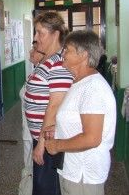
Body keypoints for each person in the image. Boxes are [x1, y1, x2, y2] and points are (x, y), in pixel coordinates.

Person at [44, 30, 116, 195]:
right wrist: (60, 130)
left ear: (83, 55)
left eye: (67, 50)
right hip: (73, 172)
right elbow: (78, 120)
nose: (63, 54)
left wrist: (57, 145)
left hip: (83, 176)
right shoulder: (80, 82)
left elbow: (92, 138)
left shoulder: (92, 88)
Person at [24, 12, 74, 195]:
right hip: (40, 136)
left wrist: (42, 144)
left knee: (47, 189)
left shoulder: (59, 63)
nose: (36, 39)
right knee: (41, 186)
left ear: (56, 34)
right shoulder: (46, 58)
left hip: (49, 140)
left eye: (40, 33)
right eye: (35, 33)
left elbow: (54, 107)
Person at [18, 43, 45, 195]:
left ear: (42, 55)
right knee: (29, 167)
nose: (30, 50)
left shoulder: (43, 76)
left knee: (32, 169)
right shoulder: (34, 73)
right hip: (28, 131)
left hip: (35, 133)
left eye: (34, 48)